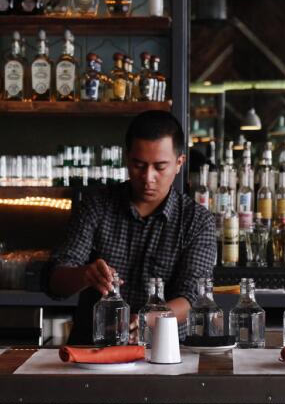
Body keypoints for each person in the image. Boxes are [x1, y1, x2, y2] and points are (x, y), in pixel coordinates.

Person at [45, 110, 217, 344]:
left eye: (160, 167)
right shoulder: (96, 206)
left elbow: (193, 297)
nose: (148, 177)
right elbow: (55, 281)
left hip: (164, 351)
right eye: (139, 165)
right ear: (127, 159)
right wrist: (85, 275)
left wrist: (148, 319)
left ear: (179, 163)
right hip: (94, 352)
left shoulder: (197, 221)